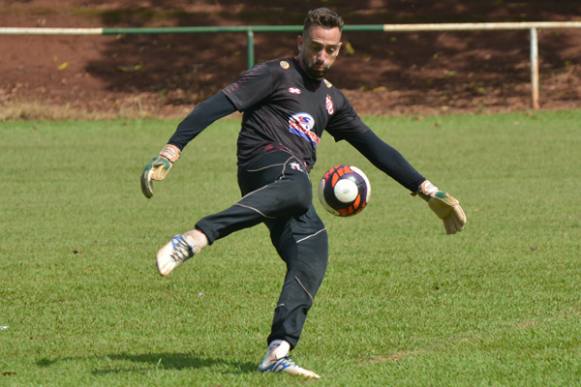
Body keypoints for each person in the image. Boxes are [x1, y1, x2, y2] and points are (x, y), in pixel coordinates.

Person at [140, 7, 466, 379]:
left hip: (288, 187)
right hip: (262, 164)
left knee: (313, 251)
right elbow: (215, 106)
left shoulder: (332, 100)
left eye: (330, 49)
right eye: (315, 47)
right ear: (301, 42)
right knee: (298, 187)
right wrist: (172, 150)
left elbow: (375, 147)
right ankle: (195, 238)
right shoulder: (273, 74)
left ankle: (277, 351)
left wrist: (427, 191)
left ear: (339, 49)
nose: (321, 56)